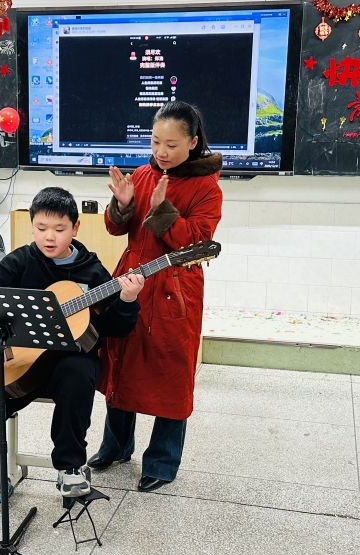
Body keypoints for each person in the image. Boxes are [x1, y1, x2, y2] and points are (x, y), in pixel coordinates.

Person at [0, 187, 144, 525]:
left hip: (69, 365)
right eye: (41, 228)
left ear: (76, 228)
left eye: (59, 229)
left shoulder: (91, 271)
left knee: (77, 372)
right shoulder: (20, 261)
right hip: (21, 366)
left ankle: (70, 467)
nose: (49, 237)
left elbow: (115, 328)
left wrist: (127, 300)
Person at [91, 101, 223, 492]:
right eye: (155, 142)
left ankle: (163, 461)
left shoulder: (207, 186)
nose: (161, 152)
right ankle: (116, 447)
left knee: (171, 373)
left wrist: (163, 210)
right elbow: (117, 229)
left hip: (174, 290)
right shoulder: (142, 173)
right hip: (131, 280)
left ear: (193, 143)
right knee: (121, 359)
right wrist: (123, 205)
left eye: (171, 145)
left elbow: (198, 241)